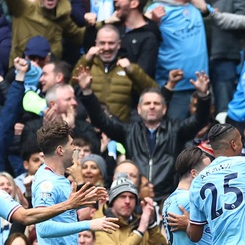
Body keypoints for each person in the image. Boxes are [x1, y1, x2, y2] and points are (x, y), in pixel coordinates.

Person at [77, 65, 211, 200]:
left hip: (168, 196)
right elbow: (102, 121)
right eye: (147, 103)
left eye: (156, 103)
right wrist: (87, 92)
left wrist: (203, 96)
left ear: (164, 109)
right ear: (139, 109)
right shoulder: (129, 131)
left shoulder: (176, 130)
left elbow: (199, 120)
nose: (152, 106)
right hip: (135, 197)